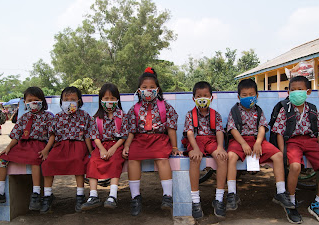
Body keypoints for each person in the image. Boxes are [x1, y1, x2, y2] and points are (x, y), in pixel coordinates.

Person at [226, 79, 294, 213]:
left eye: (251, 94)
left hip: (257, 140)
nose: (248, 97)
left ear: (257, 96)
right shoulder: (234, 111)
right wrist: (244, 143)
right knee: (231, 157)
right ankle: (232, 194)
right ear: (239, 97)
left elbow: (262, 127)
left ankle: (280, 192)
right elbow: (232, 129)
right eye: (244, 95)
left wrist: (258, 142)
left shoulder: (258, 110)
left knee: (278, 155)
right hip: (239, 140)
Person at [0, 87, 53, 211]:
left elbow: (52, 135)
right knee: (2, 158)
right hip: (22, 145)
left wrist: (46, 150)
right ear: (25, 102)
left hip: (39, 144)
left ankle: (36, 193)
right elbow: (16, 135)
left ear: (42, 101)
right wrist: (8, 147)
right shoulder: (24, 117)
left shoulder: (48, 116)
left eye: (37, 100)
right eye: (30, 100)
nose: (33, 103)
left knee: (35, 159)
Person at [271, 76, 319, 224]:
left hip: (311, 142)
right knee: (295, 166)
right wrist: (282, 153)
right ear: (288, 92)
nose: (296, 93)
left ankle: (318, 204)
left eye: (300, 90)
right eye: (293, 90)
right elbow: (279, 132)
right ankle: (290, 203)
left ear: (308, 92)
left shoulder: (312, 109)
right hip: (292, 142)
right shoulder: (285, 109)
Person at [122, 67, 181, 216]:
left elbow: (171, 128)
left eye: (152, 87)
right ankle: (135, 197)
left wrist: (174, 146)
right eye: (144, 87)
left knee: (162, 158)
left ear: (157, 89)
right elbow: (131, 130)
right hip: (140, 139)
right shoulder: (135, 108)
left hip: (159, 138)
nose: (148, 90)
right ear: (139, 90)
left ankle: (167, 196)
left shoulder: (165, 106)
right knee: (133, 158)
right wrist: (127, 145)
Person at [40, 86, 94, 214]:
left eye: (73, 99)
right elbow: (52, 135)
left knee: (78, 162)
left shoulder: (84, 116)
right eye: (66, 99)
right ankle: (47, 196)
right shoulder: (58, 117)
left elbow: (87, 135)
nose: (69, 101)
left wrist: (91, 151)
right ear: (61, 101)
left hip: (78, 145)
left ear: (79, 101)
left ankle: (80, 195)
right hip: (60, 146)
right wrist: (46, 150)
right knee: (48, 163)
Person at [183, 81, 228, 219]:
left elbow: (220, 131)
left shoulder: (216, 115)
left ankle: (219, 198)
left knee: (222, 158)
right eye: (199, 96)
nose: (202, 98)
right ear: (194, 98)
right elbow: (190, 133)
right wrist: (195, 149)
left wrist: (220, 147)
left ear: (211, 98)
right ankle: (195, 200)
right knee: (195, 159)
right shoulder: (190, 114)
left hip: (211, 140)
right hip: (195, 141)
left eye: (205, 95)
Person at [82, 83, 127, 210]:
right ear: (101, 100)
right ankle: (93, 196)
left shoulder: (122, 115)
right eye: (106, 99)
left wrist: (113, 149)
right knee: (93, 161)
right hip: (101, 145)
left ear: (117, 99)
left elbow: (124, 135)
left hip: (117, 145)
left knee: (115, 161)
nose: (109, 101)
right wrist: (101, 149)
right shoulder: (96, 118)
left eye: (112, 98)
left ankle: (112, 196)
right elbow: (95, 136)